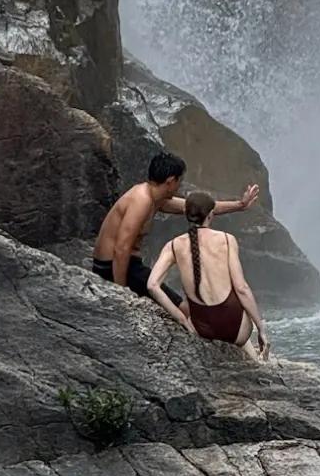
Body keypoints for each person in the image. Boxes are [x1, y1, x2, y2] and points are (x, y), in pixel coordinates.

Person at [91, 150, 260, 299]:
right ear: (171, 181)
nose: (180, 185)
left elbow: (202, 207)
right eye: (180, 180)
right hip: (111, 267)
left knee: (175, 303)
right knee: (178, 306)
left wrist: (240, 205)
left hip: (130, 265)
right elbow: (121, 247)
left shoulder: (158, 200)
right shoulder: (141, 200)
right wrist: (121, 293)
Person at [148, 189, 270, 357]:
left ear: (185, 212)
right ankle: (257, 361)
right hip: (237, 331)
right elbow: (241, 288)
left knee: (192, 304)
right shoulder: (227, 240)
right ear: (211, 214)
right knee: (234, 301)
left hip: (202, 330)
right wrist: (261, 328)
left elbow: (152, 285)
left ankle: (253, 359)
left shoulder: (173, 245)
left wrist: (182, 320)